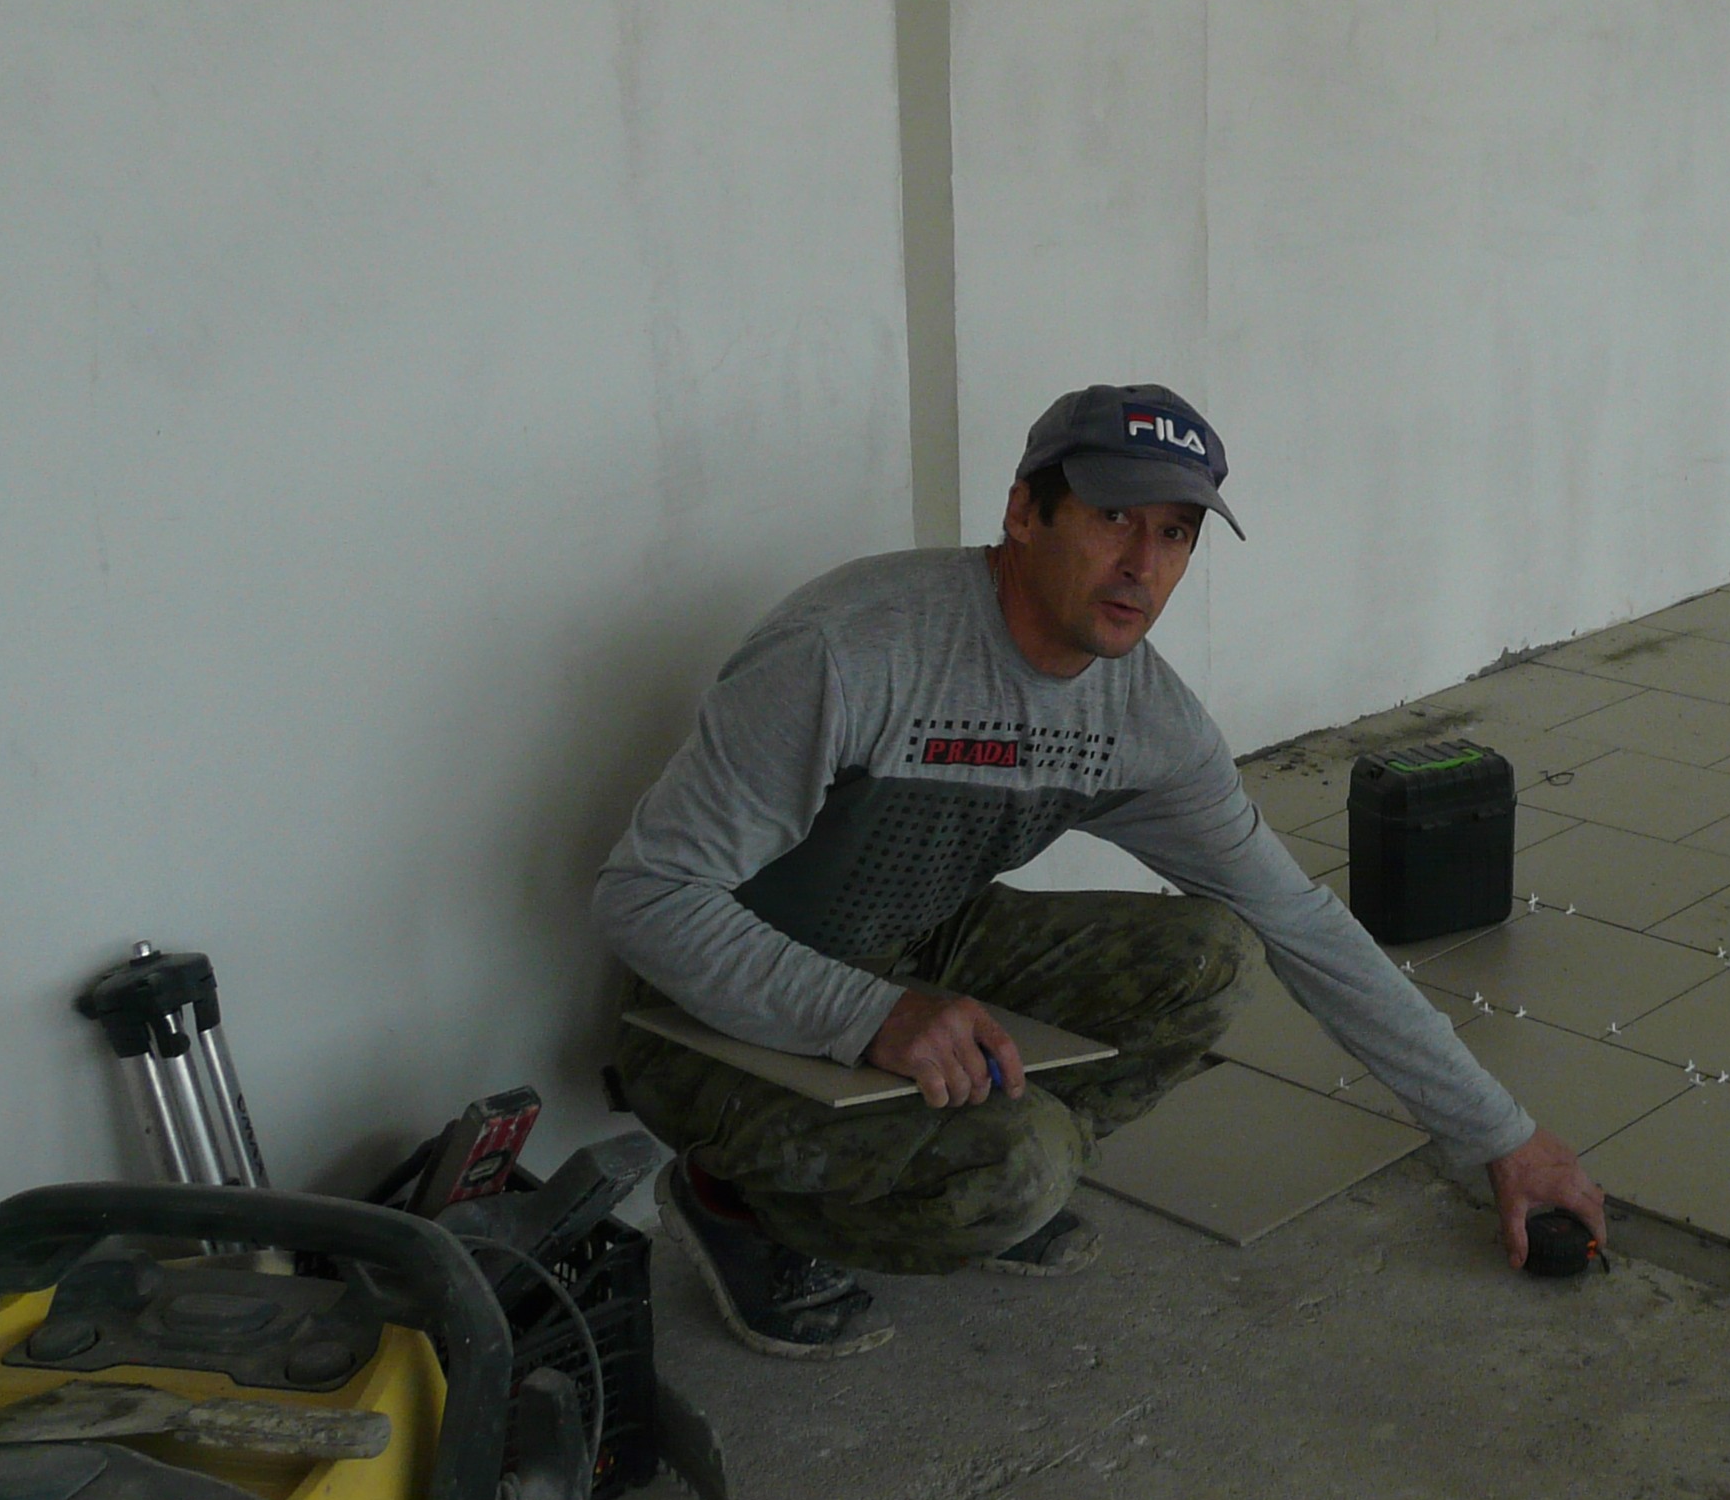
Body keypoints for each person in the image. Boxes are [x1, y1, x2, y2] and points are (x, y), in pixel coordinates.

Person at [593, 382, 1605, 1354]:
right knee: (1020, 1172)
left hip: (915, 953)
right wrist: (869, 1016)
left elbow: (1299, 922)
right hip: (710, 1017)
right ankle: (739, 1202)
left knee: (1209, 956)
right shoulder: (853, 653)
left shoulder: (1141, 720)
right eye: (1113, 517)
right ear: (1022, 513)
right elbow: (645, 899)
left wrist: (1501, 1137)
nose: (1142, 565)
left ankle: (977, 1168)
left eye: (1175, 533)